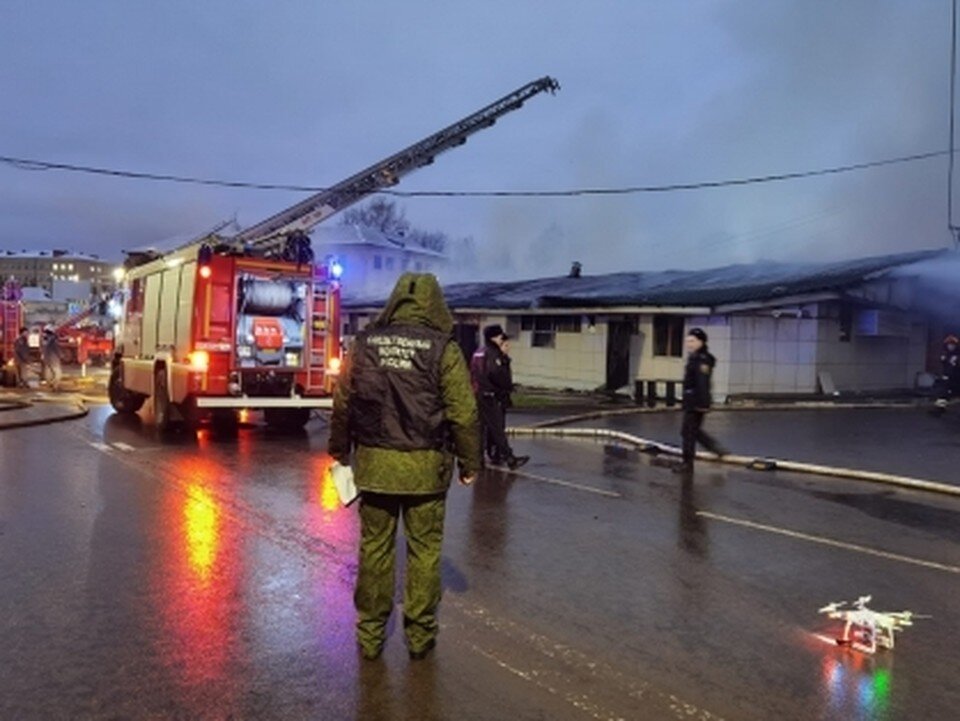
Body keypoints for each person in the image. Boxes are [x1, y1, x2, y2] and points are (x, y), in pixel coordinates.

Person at [329, 273, 481, 661]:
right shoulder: (443, 350)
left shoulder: (363, 345)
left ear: (395, 301)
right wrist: (470, 462)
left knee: (375, 549)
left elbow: (343, 401)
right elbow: (464, 413)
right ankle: (419, 636)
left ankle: (369, 634)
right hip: (425, 470)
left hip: (375, 466)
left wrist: (340, 451)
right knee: (424, 551)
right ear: (434, 303)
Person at [470, 324, 529, 469]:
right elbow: (496, 374)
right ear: (493, 337)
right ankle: (509, 459)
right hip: (490, 395)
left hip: (477, 393)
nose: (501, 339)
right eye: (499, 336)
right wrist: (507, 387)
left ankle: (478, 459)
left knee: (481, 429)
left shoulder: (478, 352)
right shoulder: (493, 353)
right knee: (497, 428)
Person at [674, 327, 727, 474]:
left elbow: (702, 382)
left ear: (701, 342)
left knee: (688, 432)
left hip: (696, 401)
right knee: (692, 431)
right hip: (692, 400)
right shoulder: (695, 357)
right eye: (687, 341)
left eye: (692, 341)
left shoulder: (702, 359)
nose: (689, 344)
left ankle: (687, 464)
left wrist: (703, 403)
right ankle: (714, 448)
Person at [934, 334, 960, 414]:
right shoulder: (946, 354)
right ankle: (940, 409)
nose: (950, 346)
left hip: (957, 378)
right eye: (949, 344)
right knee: (942, 393)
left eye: (952, 345)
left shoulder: (958, 355)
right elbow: (945, 366)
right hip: (948, 377)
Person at [41, 327, 62, 391]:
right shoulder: (53, 341)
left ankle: (49, 384)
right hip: (54, 360)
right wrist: (61, 356)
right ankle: (55, 386)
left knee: (48, 373)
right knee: (58, 373)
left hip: (47, 360)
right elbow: (57, 351)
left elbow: (43, 350)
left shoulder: (44, 341)